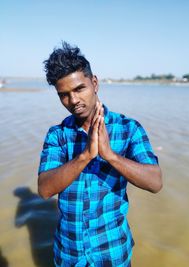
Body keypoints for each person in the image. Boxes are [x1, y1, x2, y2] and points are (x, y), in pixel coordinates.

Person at [38, 42, 162, 267]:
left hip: (113, 253)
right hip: (69, 254)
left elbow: (155, 182)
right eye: (63, 95)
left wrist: (110, 155)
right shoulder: (57, 135)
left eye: (79, 89)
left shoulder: (128, 128)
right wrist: (85, 155)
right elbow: (45, 189)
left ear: (94, 83)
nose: (73, 100)